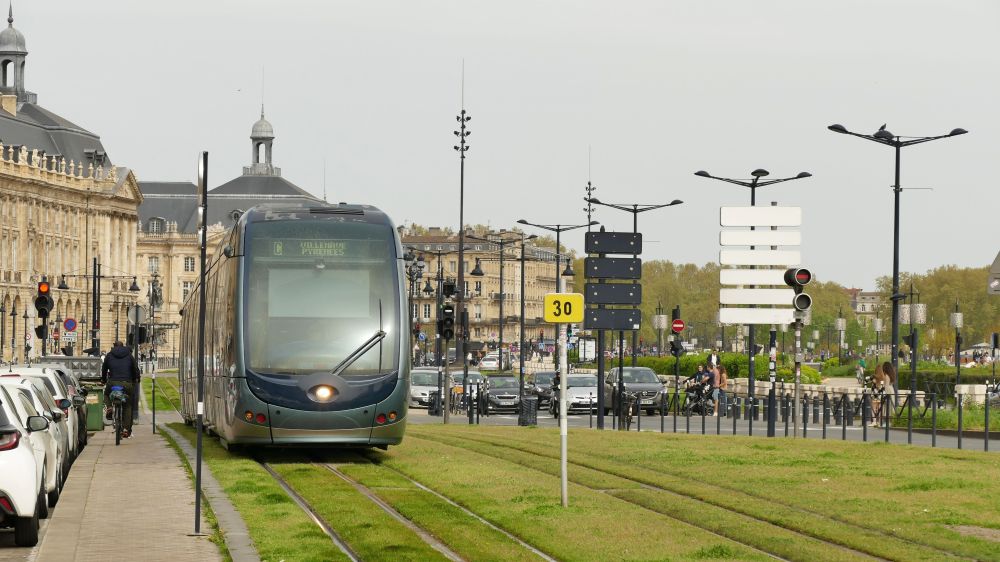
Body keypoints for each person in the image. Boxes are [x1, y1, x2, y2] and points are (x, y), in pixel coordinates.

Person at [102, 341, 140, 439]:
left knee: (106, 394)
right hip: (127, 383)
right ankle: (126, 429)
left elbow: (104, 369)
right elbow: (135, 369)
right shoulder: (129, 355)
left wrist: (103, 380)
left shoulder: (109, 355)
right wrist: (136, 379)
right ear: (123, 346)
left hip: (113, 383)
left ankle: (109, 407)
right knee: (128, 405)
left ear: (113, 347)